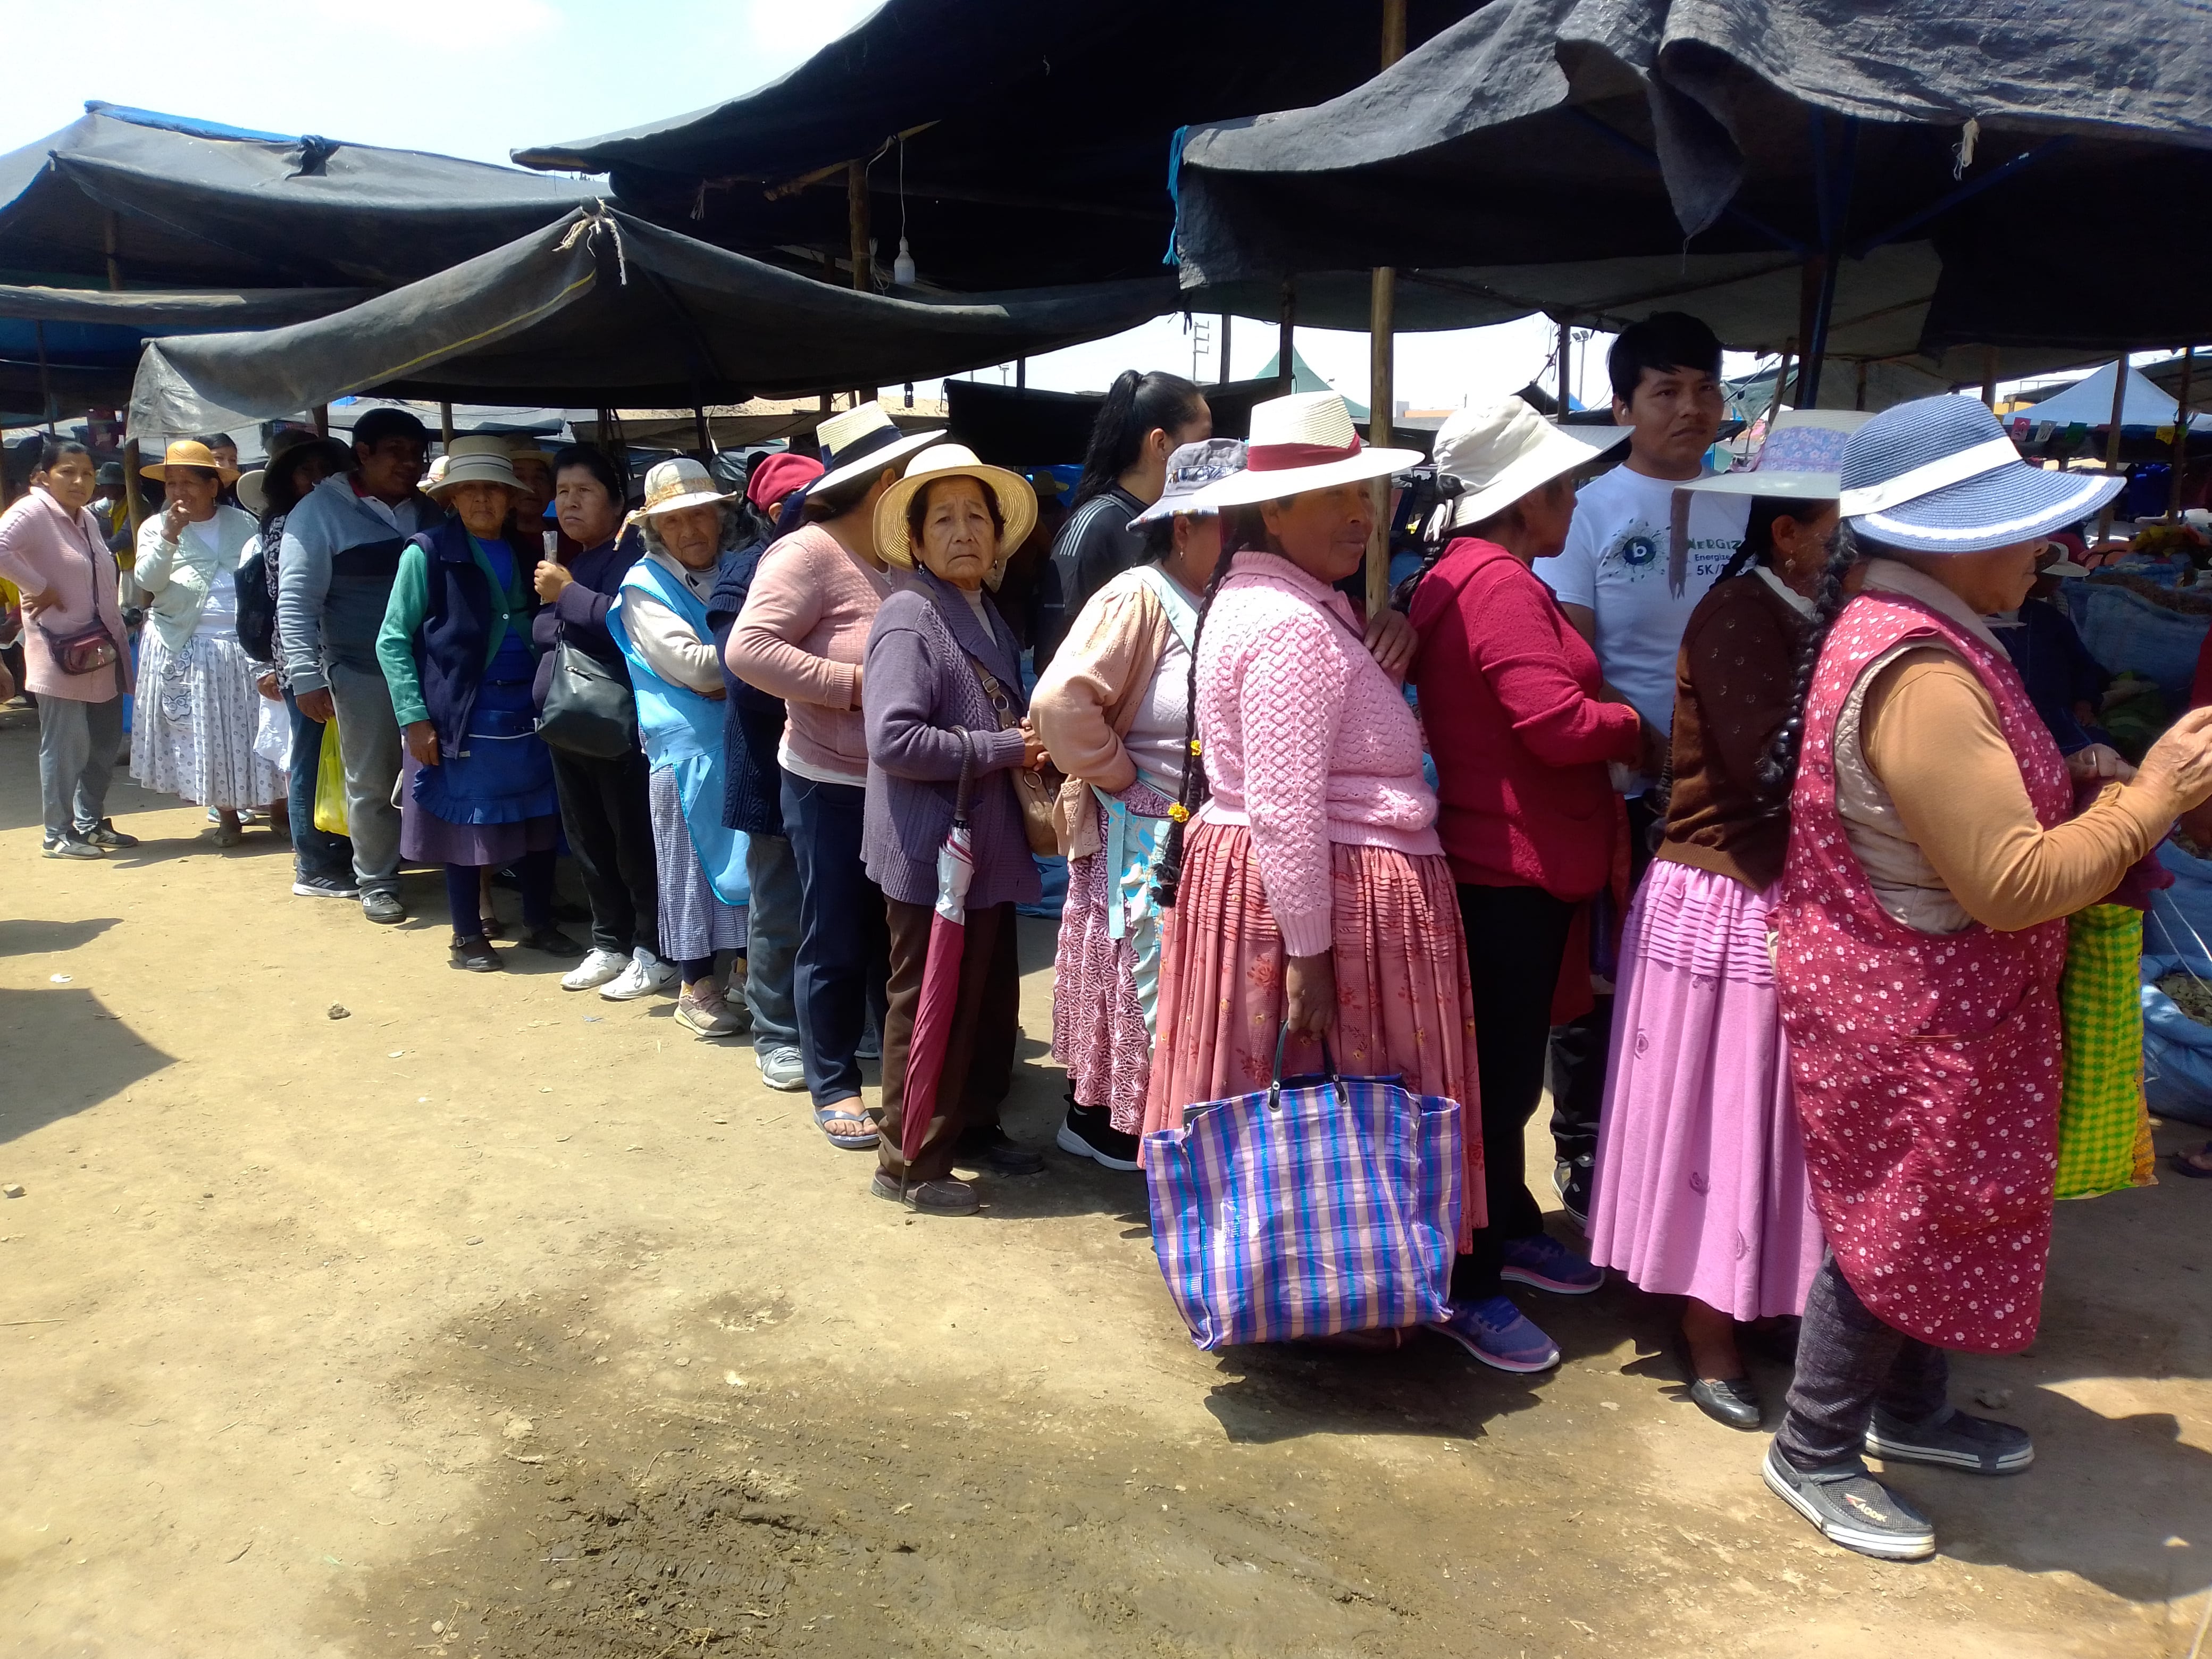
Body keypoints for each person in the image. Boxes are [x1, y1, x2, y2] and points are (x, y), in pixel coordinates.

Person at [1760, 395, 2212, 1561]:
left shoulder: (1921, 638)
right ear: (1951, 540)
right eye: (2022, 528)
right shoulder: (1918, 670)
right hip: (1913, 1011)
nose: (2042, 549)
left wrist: (2076, 782)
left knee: (1930, 1214)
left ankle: (1910, 1414)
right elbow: (2009, 884)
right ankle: (1811, 1446)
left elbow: (1961, 823)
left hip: (1916, 998)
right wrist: (2151, 797)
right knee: (1894, 1229)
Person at [1141, 393, 1491, 1350]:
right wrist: (1312, 954)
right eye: (1332, 494)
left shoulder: (1286, 607)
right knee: (1330, 1096)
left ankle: (1304, 1278)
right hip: (1316, 899)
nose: (1360, 515)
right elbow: (1288, 807)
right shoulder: (1290, 626)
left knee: (1286, 1100)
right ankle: (1341, 1290)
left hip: (1303, 888)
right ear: (1274, 512)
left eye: (1365, 493)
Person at [1585, 412, 1865, 1426]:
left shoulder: (1813, 613)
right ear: (1788, 534)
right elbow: (1770, 775)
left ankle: (1767, 1300)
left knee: (1778, 1125)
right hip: (1731, 898)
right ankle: (1708, 1329)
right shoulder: (1745, 616)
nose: (1858, 544)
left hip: (1783, 895)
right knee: (1726, 1119)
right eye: (1844, 524)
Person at [1406, 398, 1646, 1371]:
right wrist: (1635, 724)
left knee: (1496, 1076)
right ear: (1529, 497)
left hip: (1505, 862)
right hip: (1507, 866)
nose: (1579, 496)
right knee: (1495, 1084)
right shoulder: (1496, 583)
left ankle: (1502, 1228)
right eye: (1566, 484)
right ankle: (1467, 1282)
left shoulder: (1466, 575)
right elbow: (1552, 724)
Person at [1539, 312, 1747, 1226]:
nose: (1691, 408)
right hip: (1620, 788)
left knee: (1712, 982)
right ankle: (1586, 1156)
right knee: (1598, 982)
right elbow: (1572, 652)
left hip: (1733, 785)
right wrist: (1631, 748)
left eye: (1706, 387)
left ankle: (1687, 1162)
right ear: (1623, 406)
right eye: (1666, 390)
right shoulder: (1585, 509)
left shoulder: (1757, 502)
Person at [1032, 438, 1246, 1170]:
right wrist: (1122, 779)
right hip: (1143, 831)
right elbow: (1062, 703)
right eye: (1230, 522)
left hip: (1190, 833)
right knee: (1134, 981)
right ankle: (1103, 1123)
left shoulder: (1221, 600)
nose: (1243, 538)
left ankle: (1141, 1115)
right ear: (1184, 527)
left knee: (1170, 987)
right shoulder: (1138, 597)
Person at [726, 403, 935, 1145]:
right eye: (906, 476)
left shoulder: (902, 558)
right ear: (880, 483)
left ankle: (895, 1064)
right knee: (835, 935)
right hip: (827, 780)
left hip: (901, 779)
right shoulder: (806, 554)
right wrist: (856, 685)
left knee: (893, 935)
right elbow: (748, 651)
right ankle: (834, 1081)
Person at [863, 444, 1048, 1212]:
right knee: (930, 1000)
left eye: (977, 515)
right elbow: (893, 741)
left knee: (985, 998)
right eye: (944, 518)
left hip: (981, 848)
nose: (965, 531)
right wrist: (1007, 746)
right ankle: (907, 1163)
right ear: (915, 540)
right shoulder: (909, 616)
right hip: (934, 850)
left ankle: (971, 1127)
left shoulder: (983, 612)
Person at [376, 437, 580, 971]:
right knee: (463, 824)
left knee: (539, 818)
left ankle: (539, 922)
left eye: (494, 489)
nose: (483, 500)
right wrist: (413, 718)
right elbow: (392, 639)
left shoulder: (525, 549)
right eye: (470, 490)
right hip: (460, 712)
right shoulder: (426, 551)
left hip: (526, 707)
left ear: (511, 499)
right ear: (452, 497)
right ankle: (466, 937)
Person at [609, 459, 753, 1038]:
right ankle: (696, 988)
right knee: (689, 873)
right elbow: (694, 670)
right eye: (674, 522)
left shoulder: (734, 570)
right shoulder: (643, 587)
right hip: (684, 753)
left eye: (700, 515)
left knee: (749, 863)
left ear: (720, 518)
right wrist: (765, 655)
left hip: (739, 742)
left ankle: (747, 977)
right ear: (655, 532)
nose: (691, 531)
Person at [279, 407, 438, 924]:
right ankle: (377, 880)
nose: (409, 464)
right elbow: (297, 601)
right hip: (361, 669)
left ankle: (445, 859)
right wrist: (306, 676)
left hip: (430, 671)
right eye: (396, 452)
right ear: (363, 454)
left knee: (440, 770)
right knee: (371, 782)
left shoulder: (430, 511)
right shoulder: (320, 512)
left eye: (417, 455)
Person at [530, 444, 669, 998]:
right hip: (569, 724)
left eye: (583, 491)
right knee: (587, 840)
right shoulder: (578, 558)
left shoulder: (633, 555)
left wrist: (565, 597)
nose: (570, 502)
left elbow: (621, 626)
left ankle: (651, 948)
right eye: (562, 492)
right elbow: (544, 632)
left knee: (631, 839)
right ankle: (608, 942)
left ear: (617, 501)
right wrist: (563, 601)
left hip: (617, 724)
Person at [707, 449, 826, 1092]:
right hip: (769, 773)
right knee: (780, 907)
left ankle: (829, 1025)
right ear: (780, 513)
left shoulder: (844, 562)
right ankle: (776, 1031)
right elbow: (744, 679)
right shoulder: (746, 573)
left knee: (834, 908)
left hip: (831, 774)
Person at [128, 439, 280, 845]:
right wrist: (170, 536)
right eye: (171, 483)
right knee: (210, 737)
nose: (179, 491)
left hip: (242, 646)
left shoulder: (243, 523)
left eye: (189, 482)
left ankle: (280, 810)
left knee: (258, 731)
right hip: (189, 643)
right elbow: (148, 582)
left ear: (214, 486)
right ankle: (228, 816)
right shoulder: (154, 527)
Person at [0, 438, 137, 857]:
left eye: (88, 473)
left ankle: (89, 821)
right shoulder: (33, 511)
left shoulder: (85, 519)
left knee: (104, 740)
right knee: (65, 745)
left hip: (100, 649)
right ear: (44, 477)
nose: (80, 481)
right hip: (59, 652)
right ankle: (56, 834)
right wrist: (38, 586)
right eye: (68, 472)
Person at [239, 429, 358, 898]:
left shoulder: (333, 514)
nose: (316, 479)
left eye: (323, 469)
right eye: (305, 471)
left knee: (340, 757)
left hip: (334, 656)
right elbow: (292, 601)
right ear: (286, 480)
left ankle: (340, 849)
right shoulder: (284, 526)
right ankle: (312, 862)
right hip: (303, 660)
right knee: (309, 756)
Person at [1038, 371, 1212, 666]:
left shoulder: (1179, 525)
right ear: (1161, 444)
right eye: (1204, 441)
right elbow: (1054, 663)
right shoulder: (1094, 528)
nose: (1211, 456)